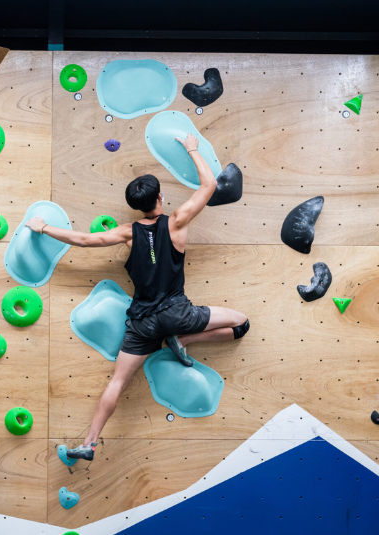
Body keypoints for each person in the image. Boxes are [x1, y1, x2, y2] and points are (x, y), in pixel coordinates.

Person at [25, 133, 249, 461]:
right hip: (177, 314)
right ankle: (183, 340)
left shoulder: (126, 233)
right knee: (241, 324)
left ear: (135, 206)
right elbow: (209, 186)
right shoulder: (177, 222)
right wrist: (192, 149)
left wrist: (43, 227)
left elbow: (85, 240)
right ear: (160, 197)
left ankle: (89, 442)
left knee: (118, 382)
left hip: (142, 322)